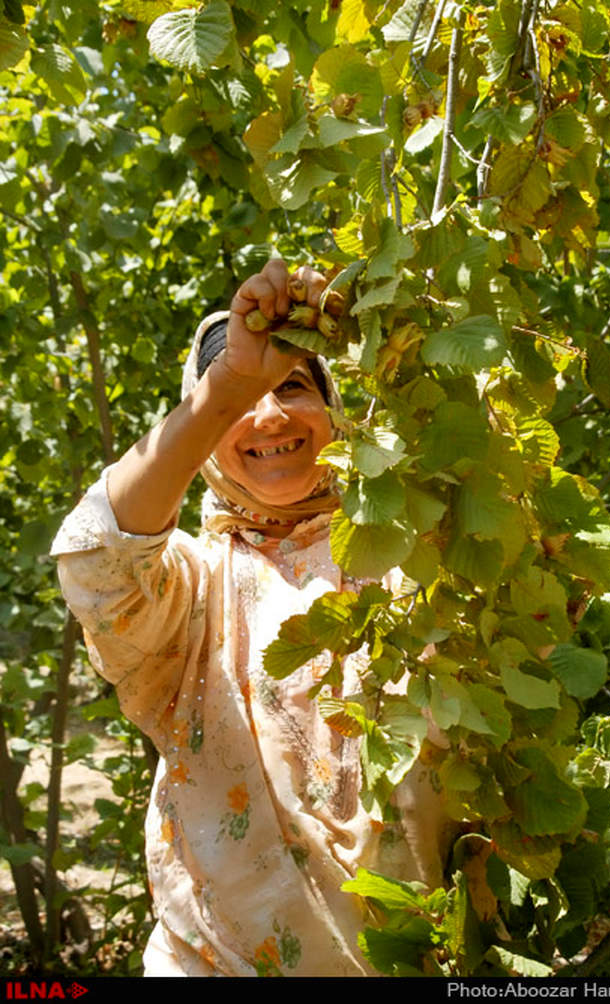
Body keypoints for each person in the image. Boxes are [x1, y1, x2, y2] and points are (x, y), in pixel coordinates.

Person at [51, 259, 450, 977]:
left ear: (335, 406)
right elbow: (96, 563)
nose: (266, 415)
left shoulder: (416, 552)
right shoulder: (194, 583)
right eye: (239, 403)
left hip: (425, 961)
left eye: (292, 386)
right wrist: (229, 381)